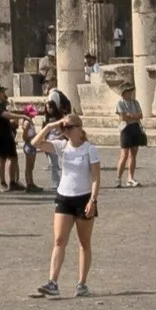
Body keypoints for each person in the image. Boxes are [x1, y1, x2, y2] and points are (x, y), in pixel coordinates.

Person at [31, 114, 100, 297]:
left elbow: (95, 178)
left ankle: (82, 283)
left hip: (83, 198)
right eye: (65, 128)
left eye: (69, 127)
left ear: (79, 128)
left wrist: (93, 200)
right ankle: (53, 282)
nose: (66, 131)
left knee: (84, 242)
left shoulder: (89, 149)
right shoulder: (62, 146)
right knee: (59, 240)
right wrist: (50, 126)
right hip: (64, 197)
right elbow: (35, 143)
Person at [114, 87, 146, 188]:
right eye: (128, 92)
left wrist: (130, 115)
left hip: (135, 128)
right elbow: (123, 117)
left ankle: (130, 178)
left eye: (131, 91)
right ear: (123, 93)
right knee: (124, 154)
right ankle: (118, 178)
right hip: (126, 129)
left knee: (133, 154)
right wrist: (133, 116)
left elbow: (140, 115)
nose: (130, 93)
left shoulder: (135, 102)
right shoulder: (120, 103)